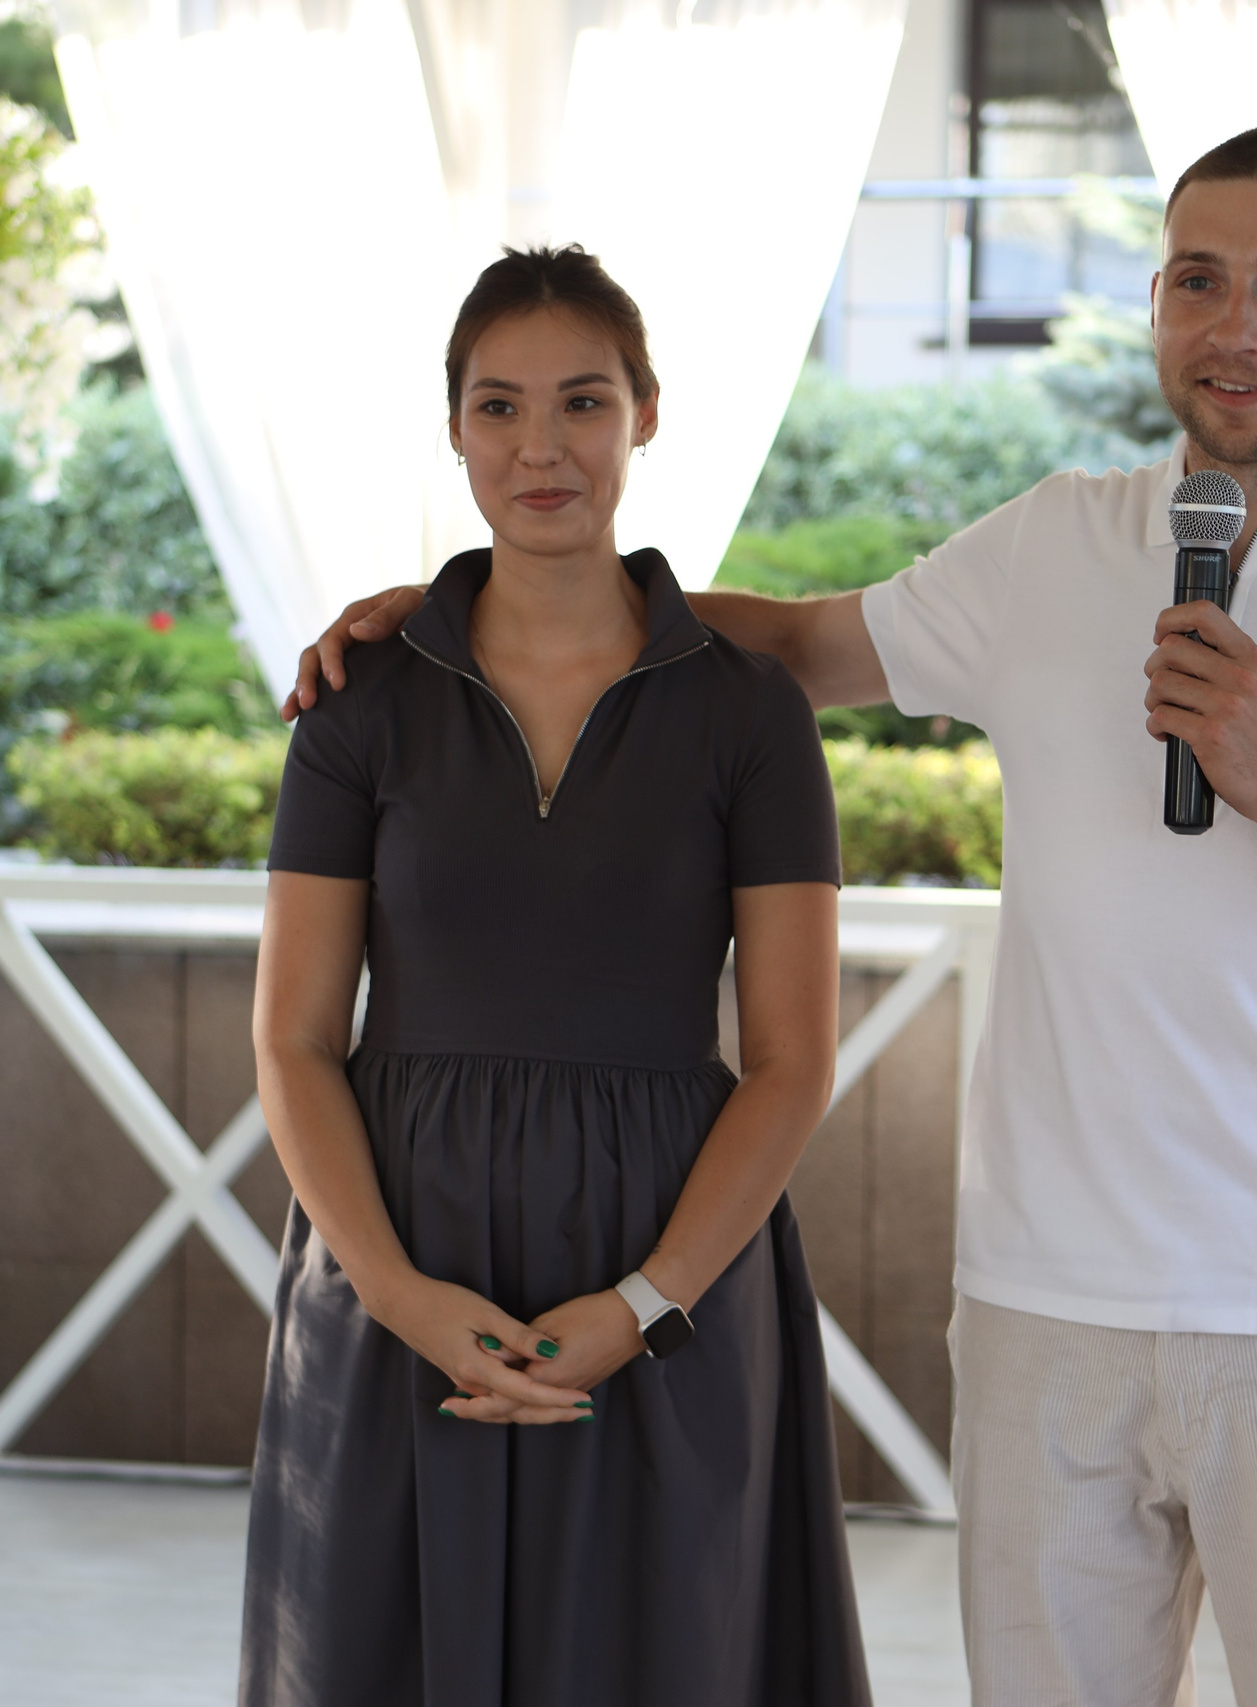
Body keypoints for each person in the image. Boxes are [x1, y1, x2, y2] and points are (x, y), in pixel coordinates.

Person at [290, 125, 1257, 1706]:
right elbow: (789, 645)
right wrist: (464, 615)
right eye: (1199, 279)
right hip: (1049, 1311)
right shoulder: (1056, 540)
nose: (1237, 325)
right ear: (1156, 303)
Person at [242, 244, 871, 1707]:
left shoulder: (750, 714)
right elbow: (293, 1042)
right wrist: (399, 1294)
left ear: (645, 413)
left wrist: (643, 1302)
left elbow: (792, 1060)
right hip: (398, 1254)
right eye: (499, 406)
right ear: (453, 427)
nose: (540, 446)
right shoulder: (358, 704)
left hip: (670, 1265)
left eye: (582, 401)